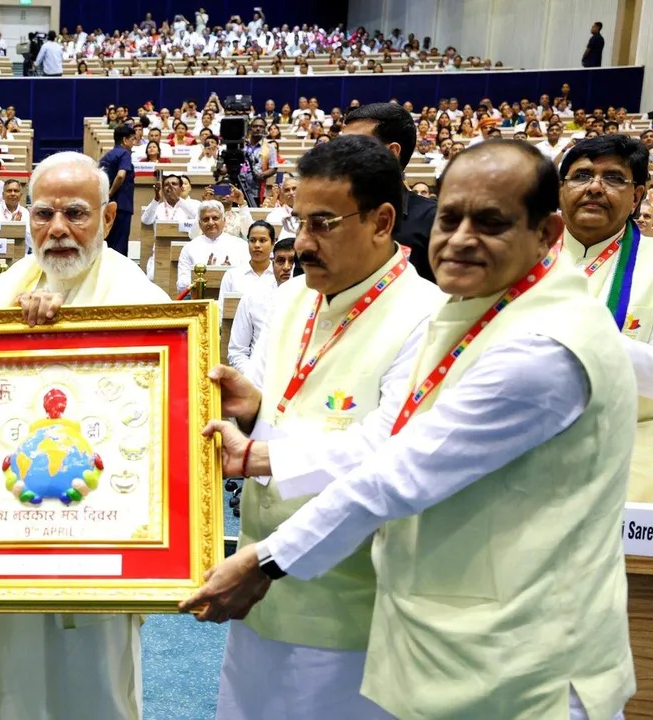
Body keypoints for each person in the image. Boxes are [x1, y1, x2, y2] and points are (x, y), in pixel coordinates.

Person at [183, 139, 636, 720]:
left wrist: (264, 558)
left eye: (491, 222)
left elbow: (395, 470)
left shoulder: (537, 344)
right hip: (454, 630)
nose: (461, 238)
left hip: (524, 655)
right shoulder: (485, 307)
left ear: (547, 233)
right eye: (449, 218)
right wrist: (257, 415)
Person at [206, 135, 444, 720]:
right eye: (299, 221)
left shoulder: (428, 315)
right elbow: (271, 401)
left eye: (323, 224)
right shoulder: (294, 296)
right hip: (257, 577)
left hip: (350, 595)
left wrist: (259, 458)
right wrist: (249, 408)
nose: (304, 243)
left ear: (382, 221)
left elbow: (389, 449)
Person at [0, 152, 169, 720]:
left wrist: (63, 333)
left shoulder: (144, 305)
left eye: (76, 213)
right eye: (44, 214)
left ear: (108, 217)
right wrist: (14, 333)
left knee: (90, 690)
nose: (58, 229)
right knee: (0, 686)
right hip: (2, 540)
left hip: (96, 542)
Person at [556, 135, 653, 498]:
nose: (595, 187)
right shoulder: (518, 259)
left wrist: (587, 341)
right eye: (581, 176)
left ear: (637, 196)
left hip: (630, 444)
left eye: (613, 178)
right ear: (561, 189)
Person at [341, 103, 438, 283]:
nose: (339, 155)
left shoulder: (434, 221)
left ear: (392, 153)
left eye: (353, 146)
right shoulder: (331, 215)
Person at [227, 237, 295, 373]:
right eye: (280, 261)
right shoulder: (252, 298)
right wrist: (254, 377)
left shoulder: (315, 298)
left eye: (293, 261)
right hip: (261, 377)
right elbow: (237, 352)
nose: (287, 267)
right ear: (273, 264)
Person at [177, 200, 248, 294]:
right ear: (199, 223)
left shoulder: (240, 245)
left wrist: (227, 274)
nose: (211, 223)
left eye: (215, 218)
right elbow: (181, 286)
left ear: (224, 221)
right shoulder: (189, 248)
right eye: (206, 219)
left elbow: (247, 281)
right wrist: (205, 277)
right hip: (200, 299)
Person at [98, 125, 136, 257]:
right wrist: (110, 193)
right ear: (125, 140)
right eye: (132, 139)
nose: (133, 143)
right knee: (120, 247)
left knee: (108, 243)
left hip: (107, 206)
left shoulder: (106, 156)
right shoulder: (125, 154)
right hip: (122, 205)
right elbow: (121, 175)